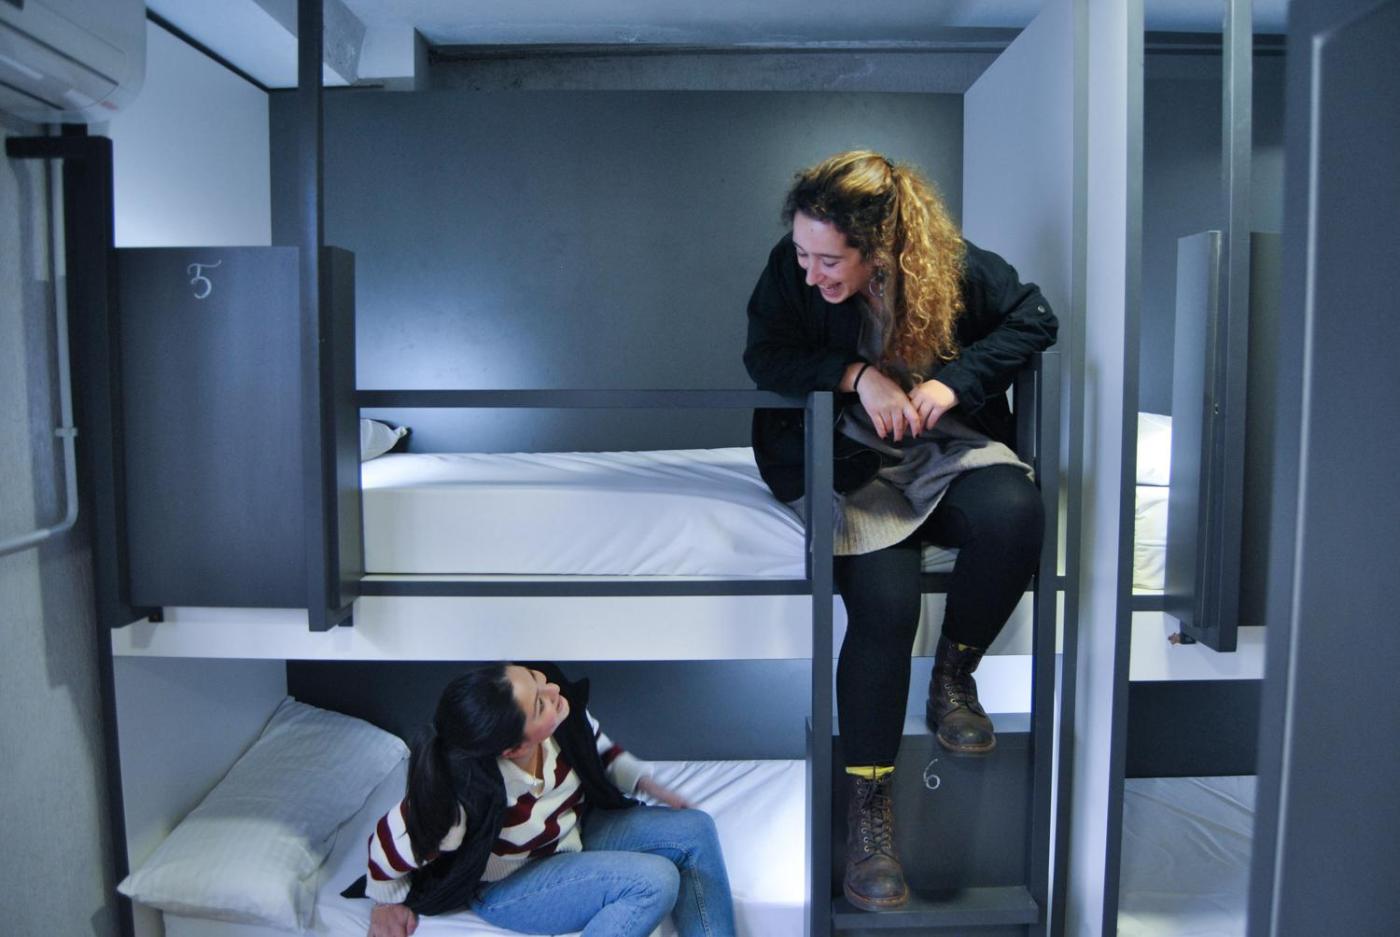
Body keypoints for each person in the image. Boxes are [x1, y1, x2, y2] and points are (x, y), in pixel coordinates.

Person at [743, 150, 1057, 912]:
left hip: (936, 445)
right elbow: (765, 356)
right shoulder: (791, 269)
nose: (811, 273)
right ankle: (870, 811)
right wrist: (858, 376)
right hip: (846, 460)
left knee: (1016, 508)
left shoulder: (946, 263)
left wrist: (953, 383)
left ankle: (953, 677)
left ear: (879, 247)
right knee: (886, 604)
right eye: (804, 254)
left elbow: (1036, 318)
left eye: (829, 260)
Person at [355, 662, 735, 937]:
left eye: (535, 677)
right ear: (514, 749)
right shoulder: (462, 795)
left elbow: (596, 748)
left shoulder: (562, 721)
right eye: (540, 703)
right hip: (514, 882)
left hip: (573, 832)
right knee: (654, 881)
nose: (553, 690)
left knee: (695, 828)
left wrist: (644, 783)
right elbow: (388, 843)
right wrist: (386, 901)